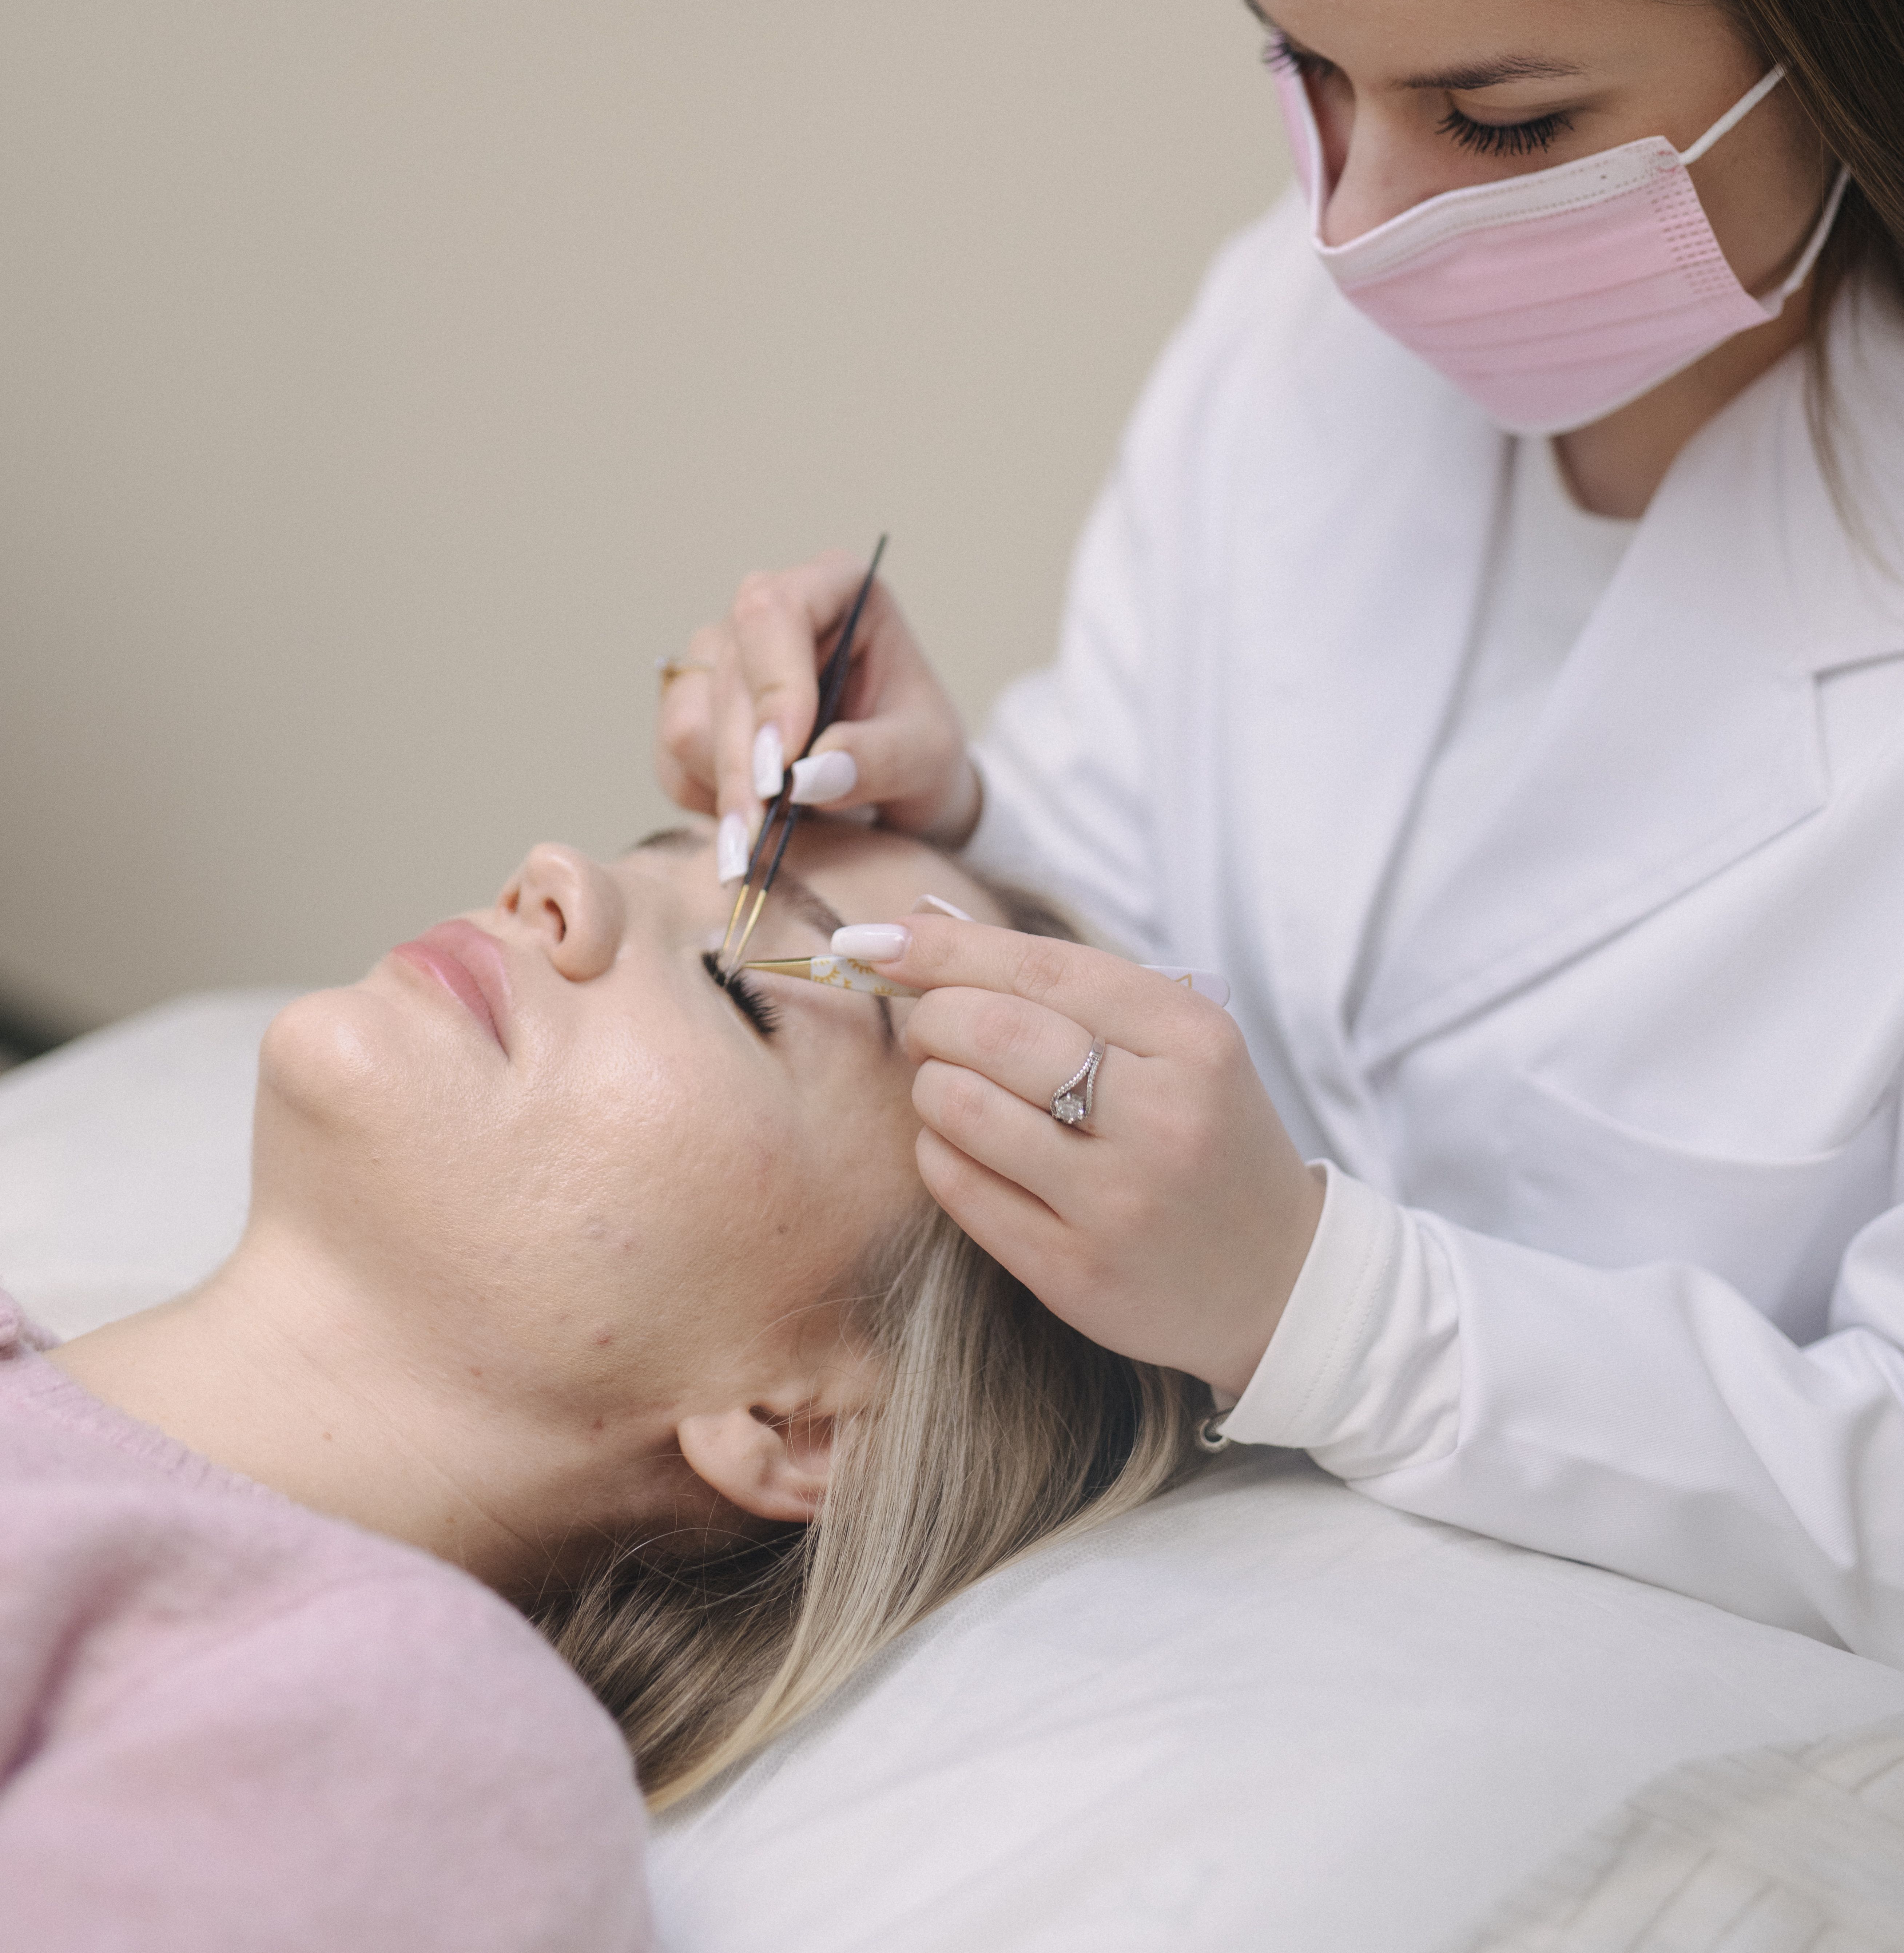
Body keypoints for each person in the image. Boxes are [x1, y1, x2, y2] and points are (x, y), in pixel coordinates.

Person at [657, 0, 1904, 1672]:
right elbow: (1153, 962)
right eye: (1298, 66)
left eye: (1507, 119)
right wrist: (954, 831)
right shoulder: (1297, 323)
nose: (1357, 223)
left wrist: (1334, 1309)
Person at [1, 819, 1203, 1950]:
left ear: (803, 1420)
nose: (560, 872)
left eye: (743, 990)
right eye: (643, 849)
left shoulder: (421, 1742)